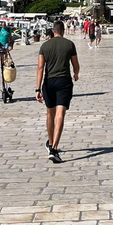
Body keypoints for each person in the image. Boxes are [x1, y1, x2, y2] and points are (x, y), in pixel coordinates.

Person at [36, 20, 79, 163]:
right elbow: (76, 65)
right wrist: (76, 74)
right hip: (64, 81)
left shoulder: (44, 46)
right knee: (60, 114)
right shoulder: (69, 44)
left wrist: (37, 88)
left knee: (50, 114)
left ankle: (50, 142)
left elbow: (40, 68)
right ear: (63, 30)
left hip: (48, 82)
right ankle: (54, 148)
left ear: (53, 31)